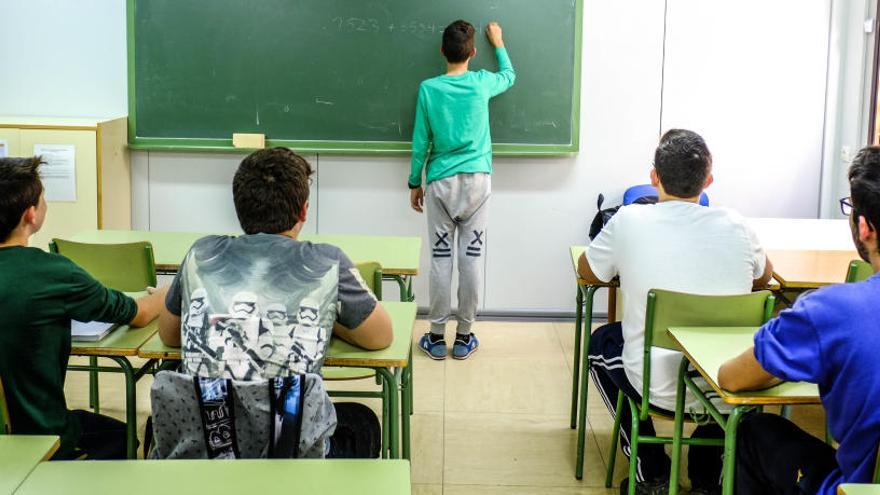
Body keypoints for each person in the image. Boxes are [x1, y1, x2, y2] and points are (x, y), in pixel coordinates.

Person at [158, 147, 393, 457]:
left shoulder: (201, 255)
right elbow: (381, 337)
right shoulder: (326, 261)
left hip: (211, 450)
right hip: (290, 452)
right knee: (362, 423)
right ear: (304, 211)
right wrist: (325, 315)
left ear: (239, 207)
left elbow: (169, 334)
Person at [578, 130, 773, 494]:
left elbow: (589, 272)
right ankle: (708, 477)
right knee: (721, 362)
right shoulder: (737, 225)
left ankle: (649, 472)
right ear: (708, 181)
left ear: (654, 177)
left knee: (602, 344)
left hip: (654, 384)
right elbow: (764, 277)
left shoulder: (629, 220)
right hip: (727, 383)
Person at [718, 146, 880, 495]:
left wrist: (786, 365)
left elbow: (732, 378)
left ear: (864, 227)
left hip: (858, 489)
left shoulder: (832, 312)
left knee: (753, 432)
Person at [0, 156, 166, 460]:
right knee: (120, 435)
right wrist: (169, 292)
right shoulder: (52, 273)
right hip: (41, 436)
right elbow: (138, 313)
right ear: (31, 214)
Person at [409, 19, 515, 360]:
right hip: (477, 184)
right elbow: (510, 75)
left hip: (440, 183)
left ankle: (437, 337)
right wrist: (498, 42)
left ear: (442, 51)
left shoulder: (428, 89)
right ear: (472, 52)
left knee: (441, 259)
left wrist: (415, 181)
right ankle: (465, 334)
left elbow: (420, 141)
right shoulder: (482, 82)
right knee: (471, 260)